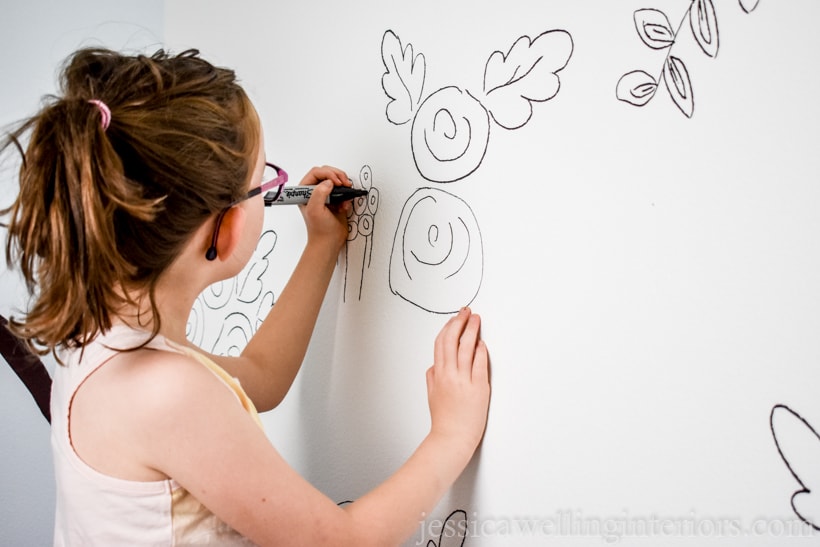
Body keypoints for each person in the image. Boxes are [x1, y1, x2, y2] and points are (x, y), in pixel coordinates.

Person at [1, 48, 490, 546]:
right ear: (226, 227)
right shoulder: (164, 393)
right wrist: (450, 436)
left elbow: (261, 377)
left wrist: (321, 247)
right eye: (264, 182)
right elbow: (344, 541)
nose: (274, 191)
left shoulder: (103, 343)